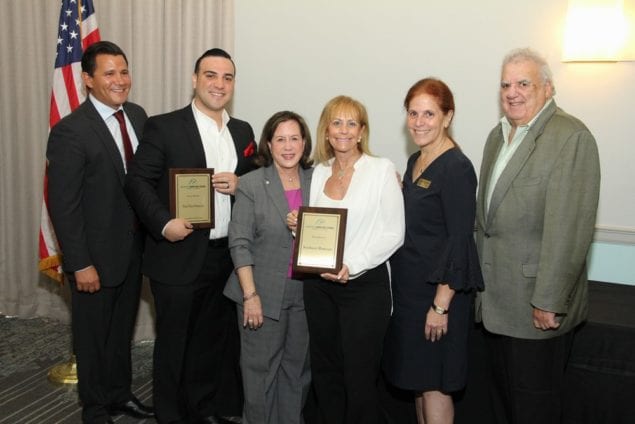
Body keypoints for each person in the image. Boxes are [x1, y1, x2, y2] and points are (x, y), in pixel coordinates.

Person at [124, 48, 256, 423]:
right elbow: (137, 181)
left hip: (226, 256)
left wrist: (241, 183)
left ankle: (202, 410)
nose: (219, 84)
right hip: (178, 255)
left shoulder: (242, 131)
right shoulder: (165, 126)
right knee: (174, 343)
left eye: (227, 77)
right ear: (195, 79)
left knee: (211, 342)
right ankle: (170, 415)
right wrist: (164, 223)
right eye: (211, 75)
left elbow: (260, 182)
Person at [475, 48, 600, 424]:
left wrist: (549, 299)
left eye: (523, 83)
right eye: (505, 84)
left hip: (536, 308)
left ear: (548, 87)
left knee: (535, 409)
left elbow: (570, 228)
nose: (512, 92)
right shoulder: (497, 136)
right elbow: (488, 220)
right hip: (496, 303)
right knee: (503, 405)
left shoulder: (570, 136)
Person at [47, 41, 153, 424]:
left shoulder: (139, 117)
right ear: (88, 79)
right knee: (92, 338)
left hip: (133, 252)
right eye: (109, 73)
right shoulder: (70, 131)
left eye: (124, 71)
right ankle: (94, 408)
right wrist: (80, 263)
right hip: (92, 258)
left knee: (121, 332)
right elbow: (64, 206)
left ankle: (120, 395)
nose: (120, 80)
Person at [290, 95, 405, 423]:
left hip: (364, 288)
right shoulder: (318, 172)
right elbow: (317, 232)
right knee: (326, 372)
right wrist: (298, 227)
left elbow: (394, 233)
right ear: (326, 131)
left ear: (362, 131)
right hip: (319, 287)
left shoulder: (381, 170)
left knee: (360, 376)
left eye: (351, 123)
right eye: (336, 122)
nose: (343, 130)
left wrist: (352, 264)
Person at [382, 78, 484, 424]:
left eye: (429, 113)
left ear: (447, 116)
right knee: (419, 383)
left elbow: (459, 241)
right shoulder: (415, 160)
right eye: (413, 113)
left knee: (436, 386)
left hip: (438, 297)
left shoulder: (457, 168)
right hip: (410, 294)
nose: (419, 122)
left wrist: (440, 306)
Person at [224, 111, 313, 424]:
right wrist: (251, 296)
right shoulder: (251, 184)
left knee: (297, 372)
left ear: (304, 142)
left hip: (304, 294)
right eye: (280, 139)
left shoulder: (317, 181)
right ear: (269, 144)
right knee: (260, 374)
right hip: (260, 292)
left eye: (294, 138)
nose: (288, 146)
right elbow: (239, 243)